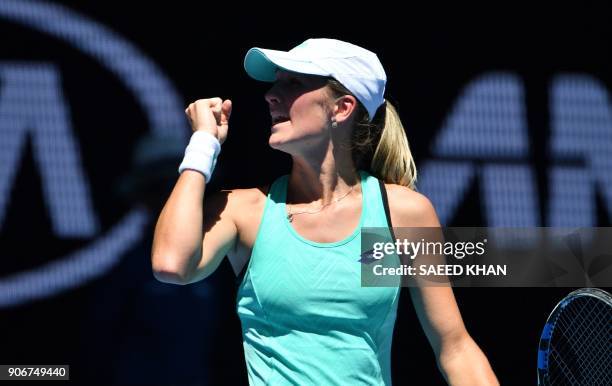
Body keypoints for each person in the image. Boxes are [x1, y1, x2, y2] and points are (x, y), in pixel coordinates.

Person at [152, 38, 499, 385]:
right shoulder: (246, 211)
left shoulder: (402, 214)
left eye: (294, 83)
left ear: (342, 107)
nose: (271, 94)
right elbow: (171, 264)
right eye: (277, 82)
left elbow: (454, 348)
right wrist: (203, 145)